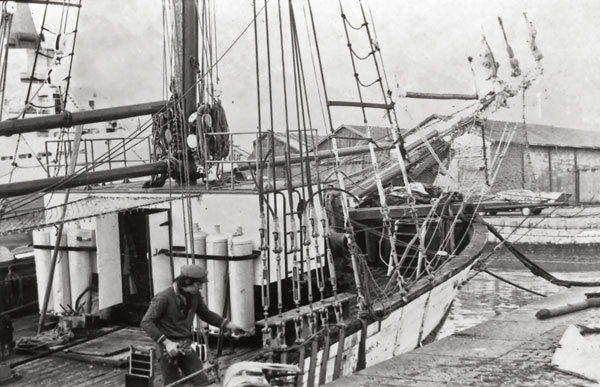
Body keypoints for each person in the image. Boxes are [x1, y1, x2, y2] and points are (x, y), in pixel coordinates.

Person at [141, 264, 248, 386]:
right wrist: (167, 342)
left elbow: (205, 314)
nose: (201, 288)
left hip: (185, 344)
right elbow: (146, 322)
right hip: (166, 347)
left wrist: (231, 325)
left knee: (201, 381)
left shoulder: (194, 296)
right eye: (198, 284)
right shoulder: (163, 297)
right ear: (187, 282)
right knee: (172, 383)